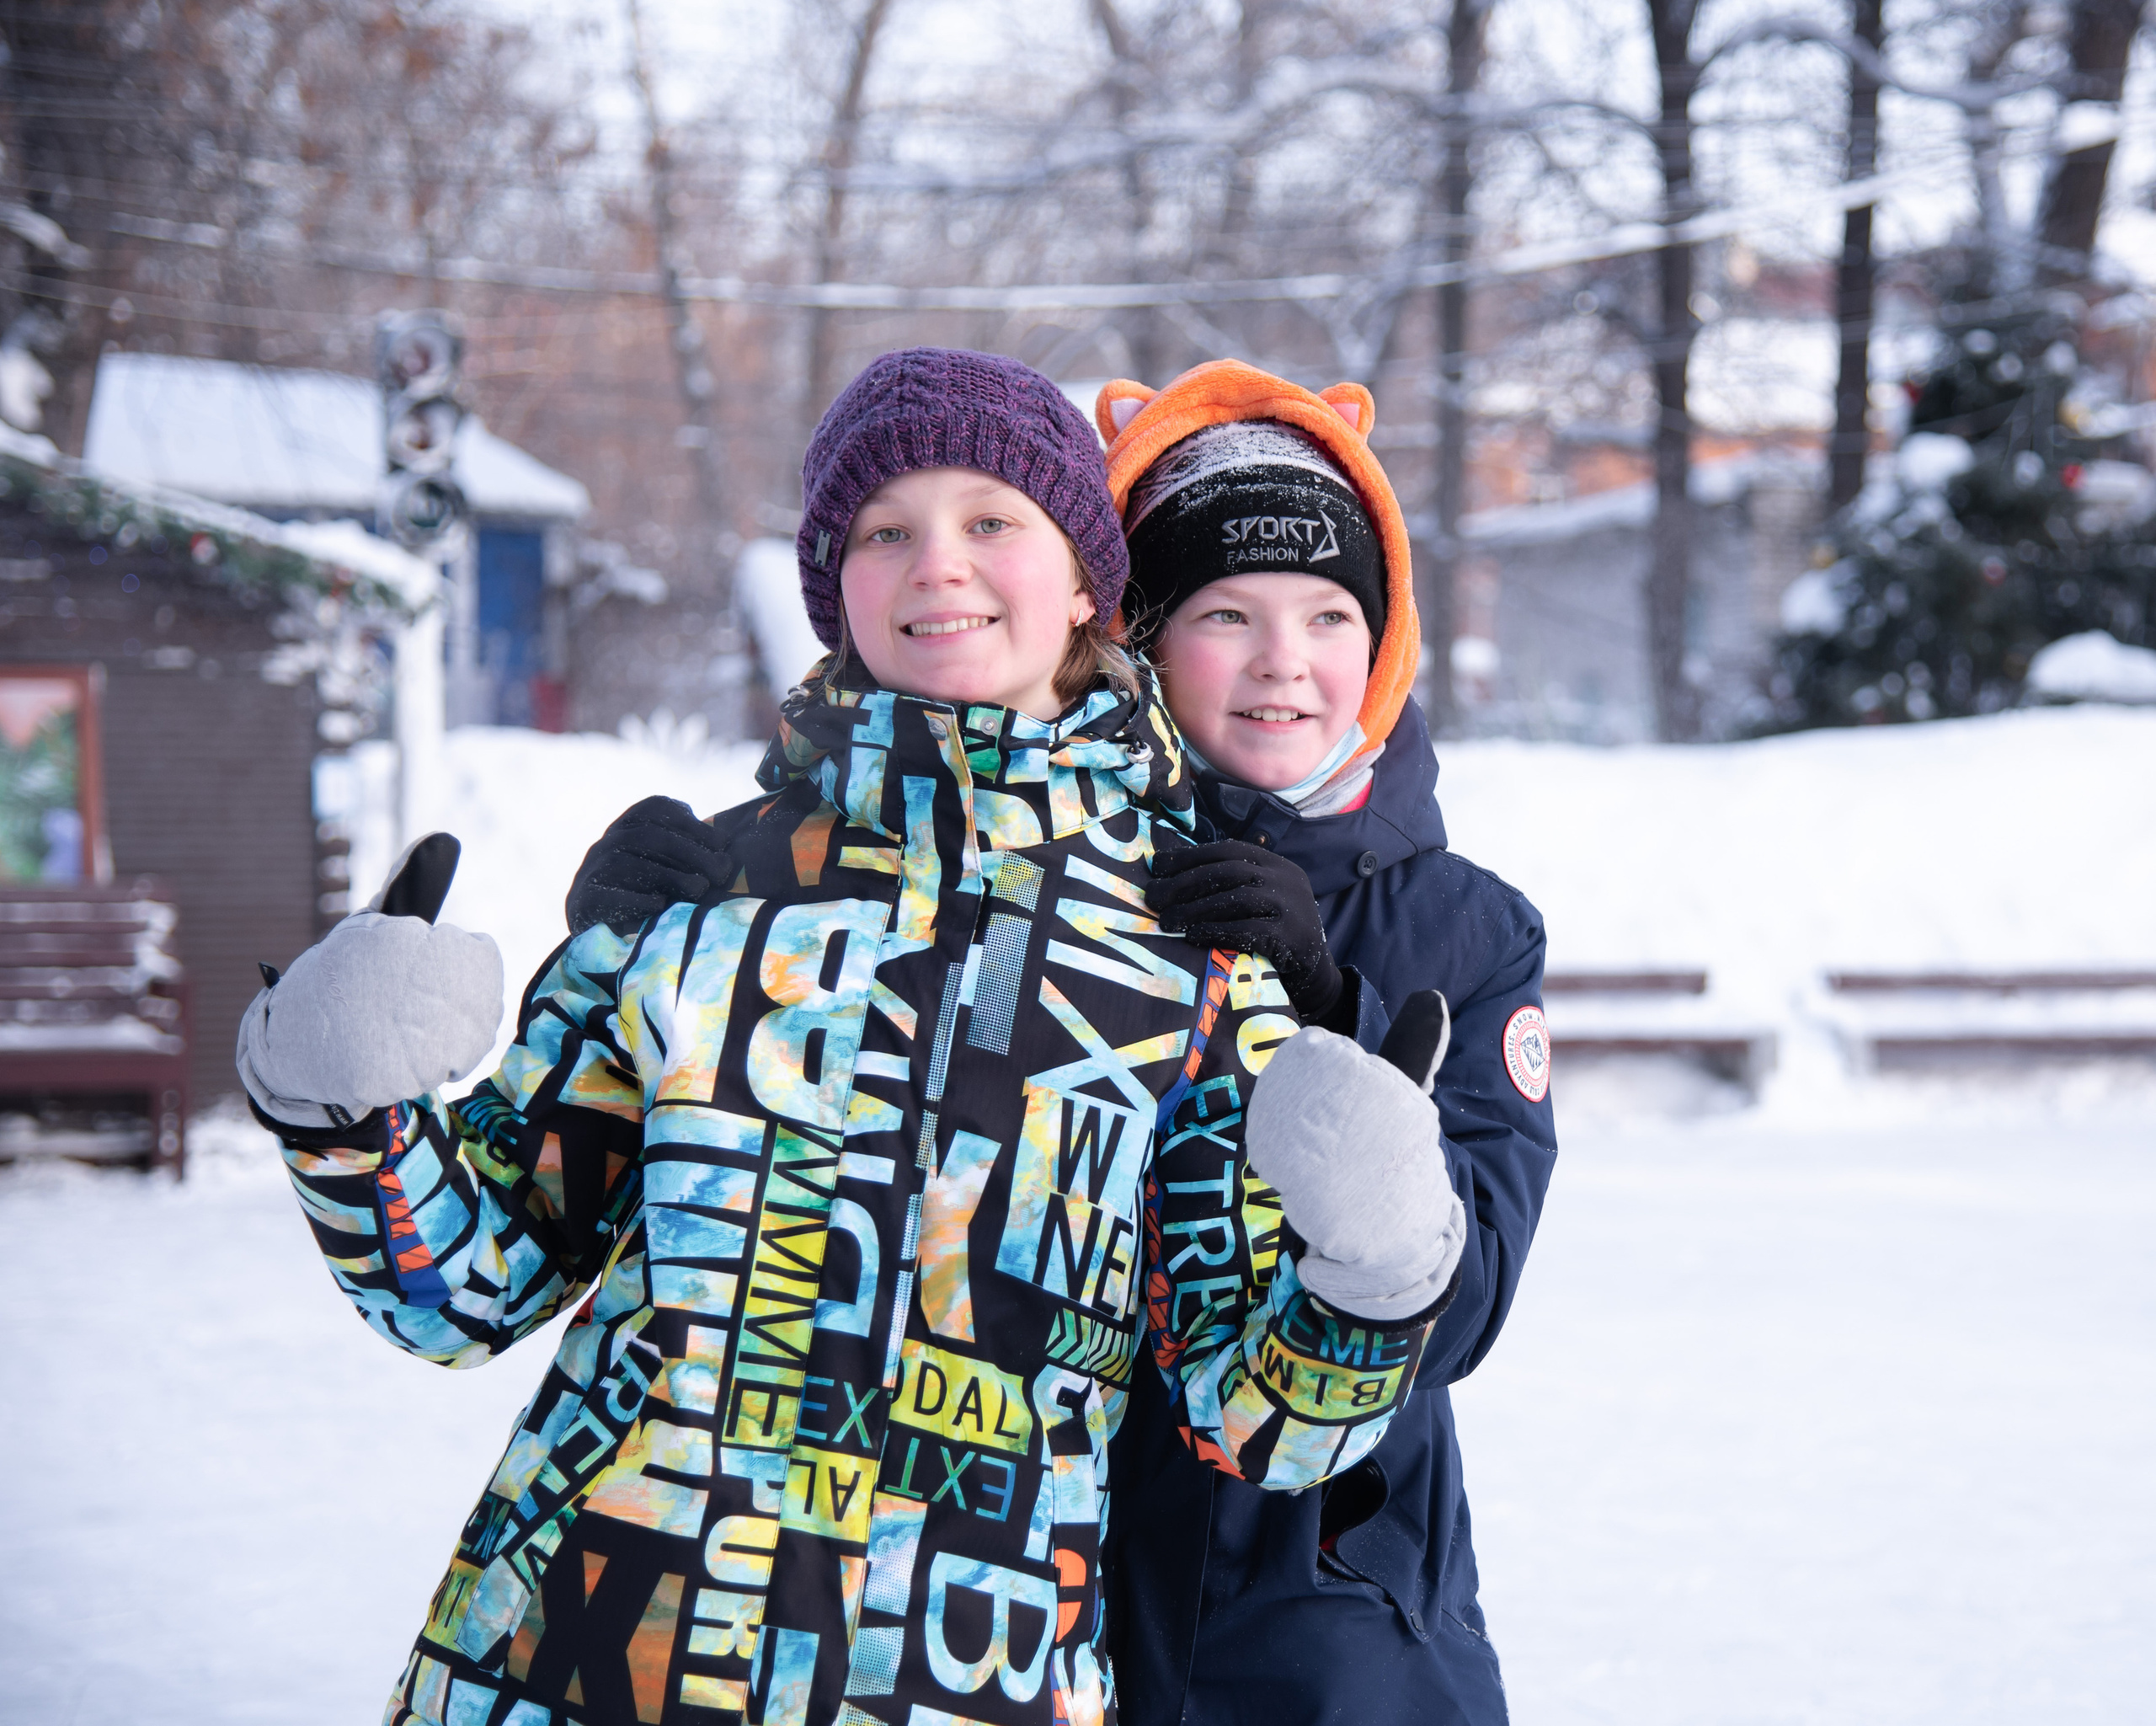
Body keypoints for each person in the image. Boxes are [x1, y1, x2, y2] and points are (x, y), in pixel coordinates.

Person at [238, 347, 1470, 1726]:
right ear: (840, 593)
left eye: (992, 519)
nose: (937, 562)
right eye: (887, 530)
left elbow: (1258, 1415)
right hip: (579, 1673)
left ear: (1083, 585)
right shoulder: (696, 898)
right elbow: (461, 1282)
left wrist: (1373, 1270)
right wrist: (341, 1105)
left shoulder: (1189, 970)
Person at [1094, 360, 1559, 1723]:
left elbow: (1463, 1296)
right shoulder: (1053, 882)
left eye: (1328, 613)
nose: (1283, 657)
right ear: (1134, 636)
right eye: (1225, 613)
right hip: (1050, 1603)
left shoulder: (1467, 932)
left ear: (1385, 638)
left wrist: (1328, 1002)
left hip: (1336, 1616)